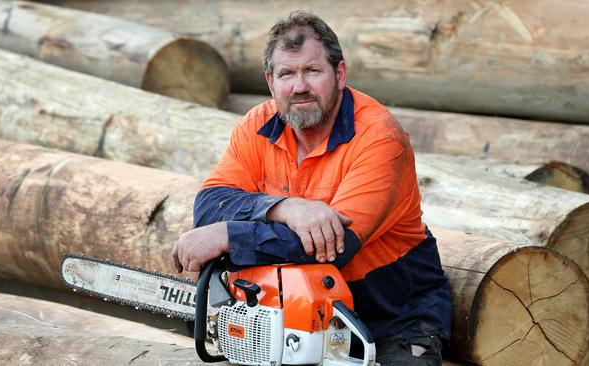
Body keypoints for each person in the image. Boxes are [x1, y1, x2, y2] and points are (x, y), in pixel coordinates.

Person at [172, 11, 452, 365]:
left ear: (340, 74)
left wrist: (230, 234)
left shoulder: (379, 138)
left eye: (312, 71)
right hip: (292, 310)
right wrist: (283, 207)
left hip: (389, 317)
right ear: (270, 82)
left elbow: (332, 249)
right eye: (287, 74)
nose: (299, 86)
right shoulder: (256, 125)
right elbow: (210, 205)